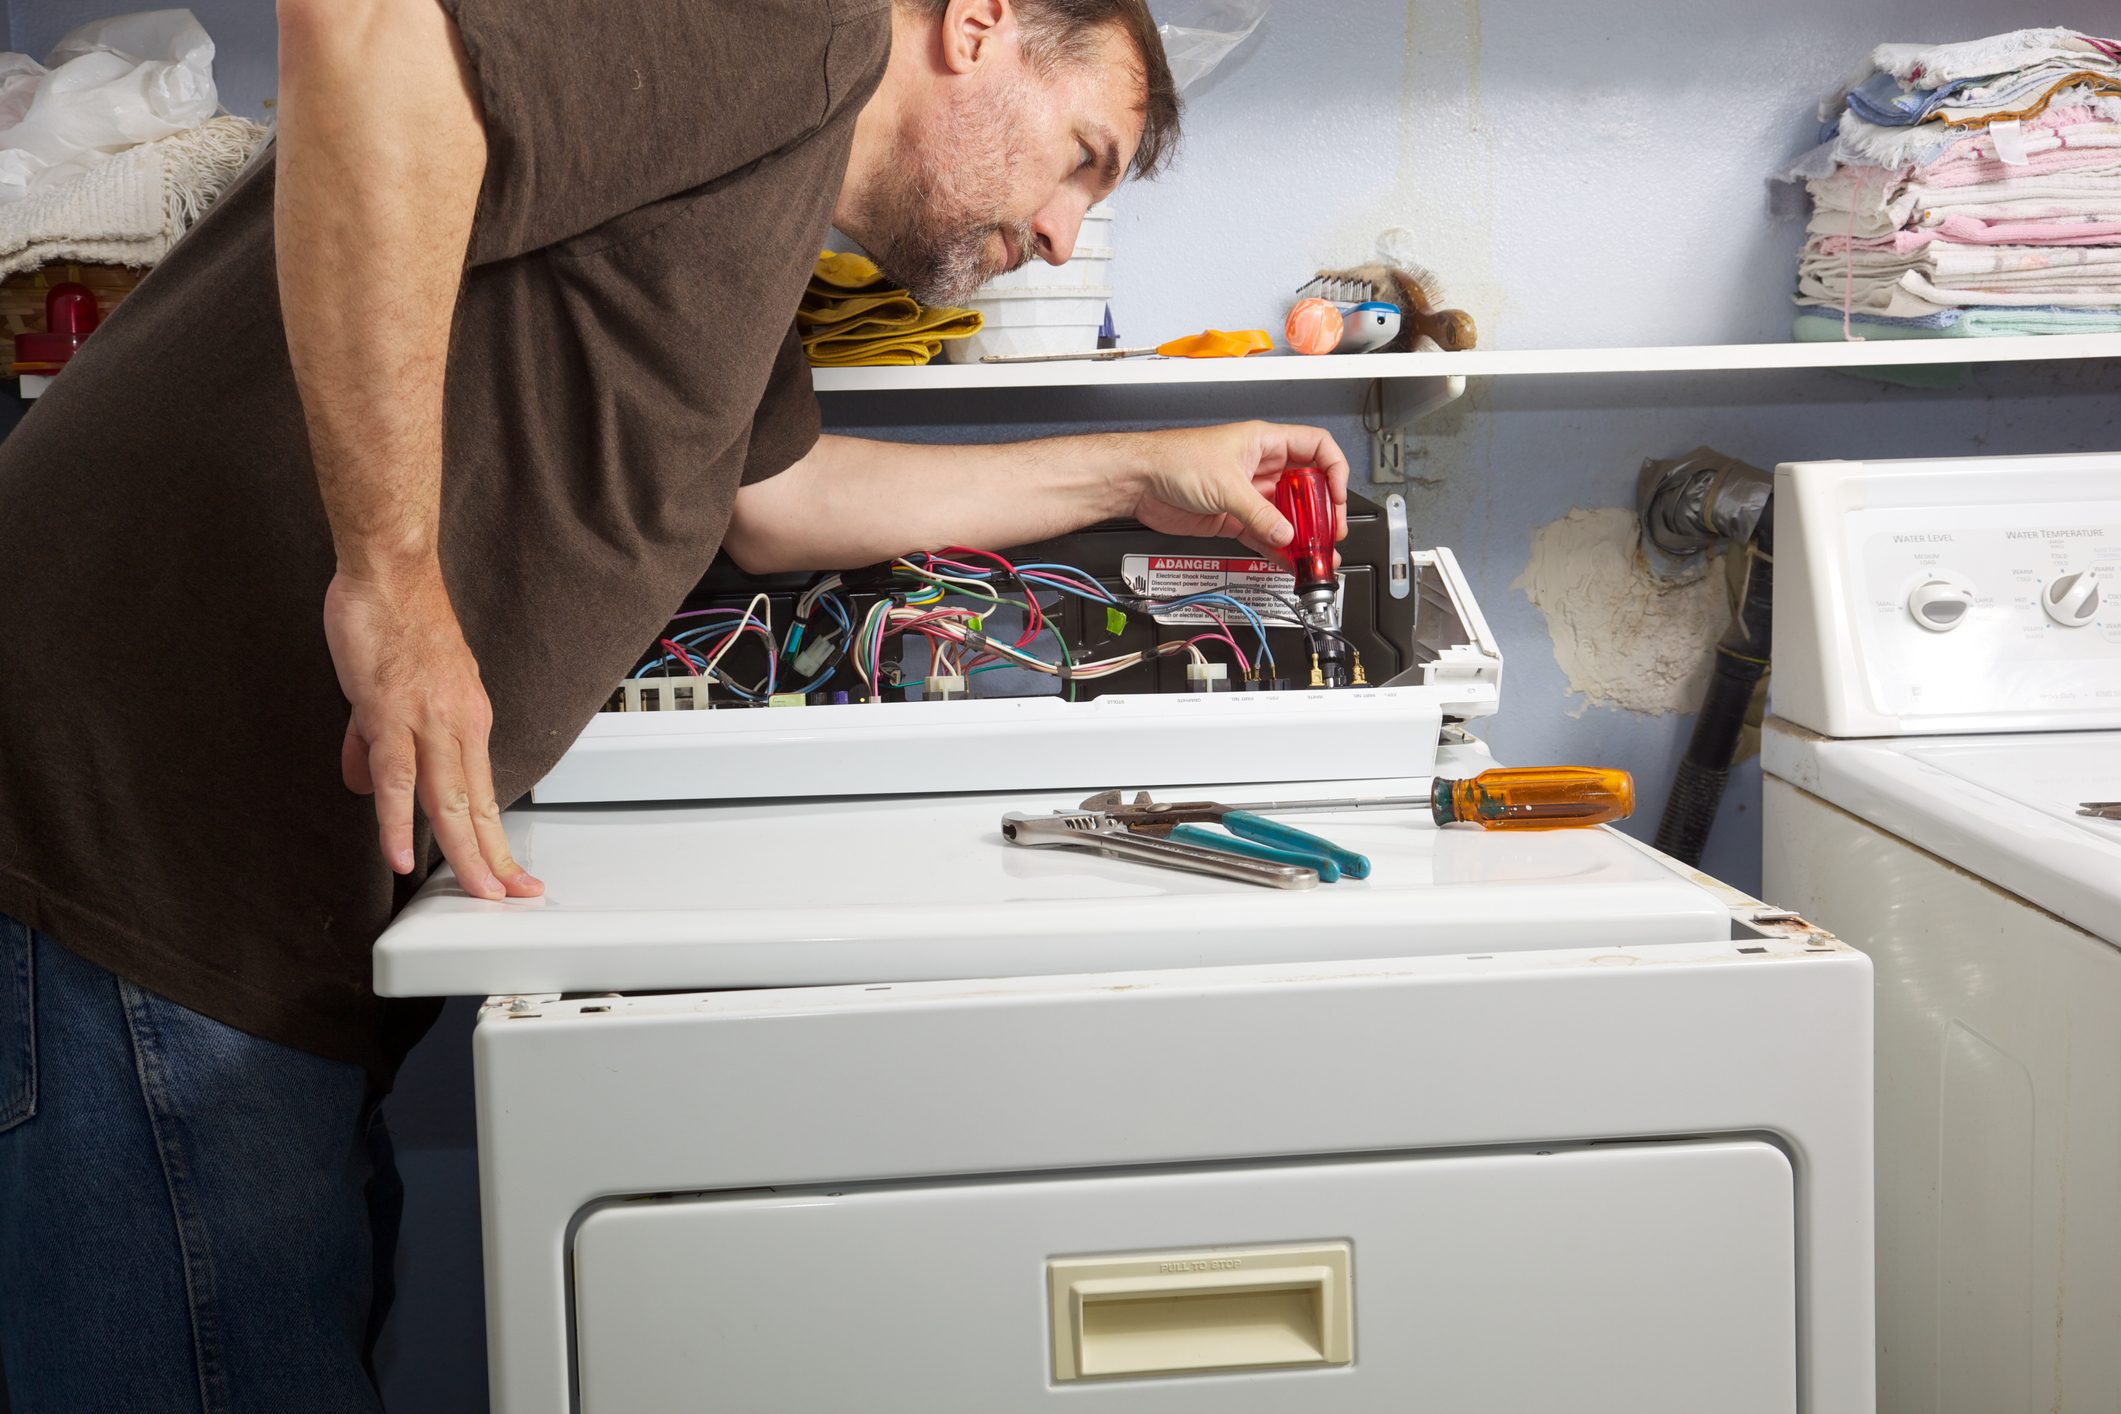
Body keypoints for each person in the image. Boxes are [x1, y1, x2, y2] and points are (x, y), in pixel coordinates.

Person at [0, 0, 1348, 1405]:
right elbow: (369, 32)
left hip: (253, 867)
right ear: (978, 23)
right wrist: (391, 575)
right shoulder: (801, 34)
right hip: (133, 808)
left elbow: (777, 502)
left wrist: (1142, 469)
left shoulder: (768, 191)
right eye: (1079, 155)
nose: (1067, 231)